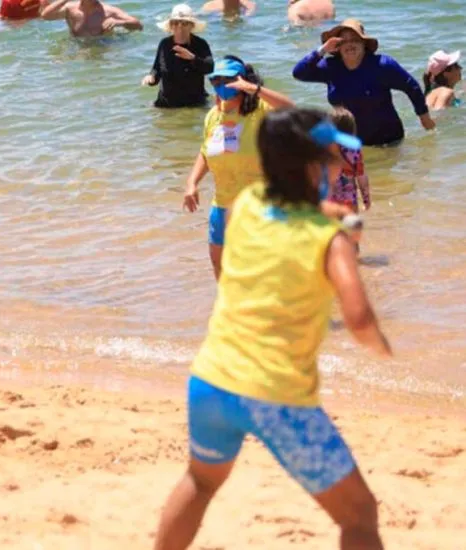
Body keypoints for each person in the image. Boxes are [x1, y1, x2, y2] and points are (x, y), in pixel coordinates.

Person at [155, 107, 392, 550]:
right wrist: (383, 346)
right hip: (276, 395)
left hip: (211, 380)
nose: (340, 164)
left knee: (201, 482)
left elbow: (295, 203)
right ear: (310, 167)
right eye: (331, 157)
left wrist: (330, 214)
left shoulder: (248, 204)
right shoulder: (329, 239)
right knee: (360, 514)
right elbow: (358, 319)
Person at [182, 56, 294, 279]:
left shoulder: (261, 110)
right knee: (220, 264)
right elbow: (206, 151)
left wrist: (255, 89)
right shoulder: (214, 115)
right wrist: (192, 183)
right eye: (216, 81)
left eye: (228, 80)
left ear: (241, 80)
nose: (222, 85)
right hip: (222, 204)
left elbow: (291, 108)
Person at [292, 19, 435, 146]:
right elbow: (299, 73)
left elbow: (411, 86)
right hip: (351, 141)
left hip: (388, 140)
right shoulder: (330, 67)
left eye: (354, 39)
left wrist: (424, 117)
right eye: (343, 41)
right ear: (337, 47)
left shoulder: (382, 65)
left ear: (364, 43)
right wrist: (322, 50)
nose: (349, 45)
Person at [142, 4, 213, 108]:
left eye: (184, 23)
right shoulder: (164, 44)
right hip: (166, 105)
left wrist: (192, 58)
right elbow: (157, 69)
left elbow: (210, 68)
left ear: (191, 26)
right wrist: (151, 77)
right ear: (170, 26)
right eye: (175, 23)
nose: (179, 26)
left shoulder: (200, 44)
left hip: (194, 104)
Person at [327, 107, 370, 213]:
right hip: (349, 199)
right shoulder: (355, 150)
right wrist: (366, 198)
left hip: (329, 198)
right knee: (351, 224)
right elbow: (361, 175)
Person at [40, 0, 142, 37]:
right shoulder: (70, 10)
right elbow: (45, 16)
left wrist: (118, 22)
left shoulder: (108, 11)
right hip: (77, 45)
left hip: (103, 46)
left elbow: (139, 25)